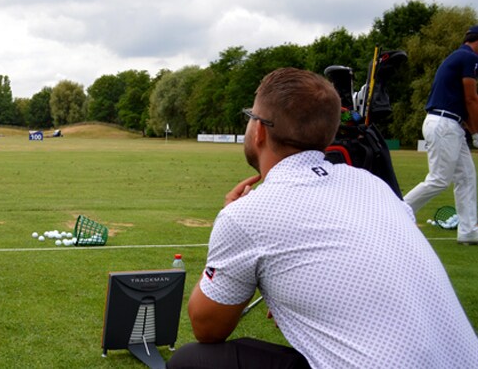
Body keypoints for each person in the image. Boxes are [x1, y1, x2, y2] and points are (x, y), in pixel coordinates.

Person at [167, 68, 478, 369]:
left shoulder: (247, 214)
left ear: (259, 130)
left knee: (190, 361)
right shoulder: (371, 184)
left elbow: (207, 327)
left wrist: (231, 224)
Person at [403, 26, 478, 245]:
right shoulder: (469, 58)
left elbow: (463, 103)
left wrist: (473, 130)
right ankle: (397, 210)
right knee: (439, 179)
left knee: (466, 177)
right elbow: (471, 99)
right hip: (444, 124)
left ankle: (468, 231)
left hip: (449, 124)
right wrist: (476, 133)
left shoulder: (459, 56)